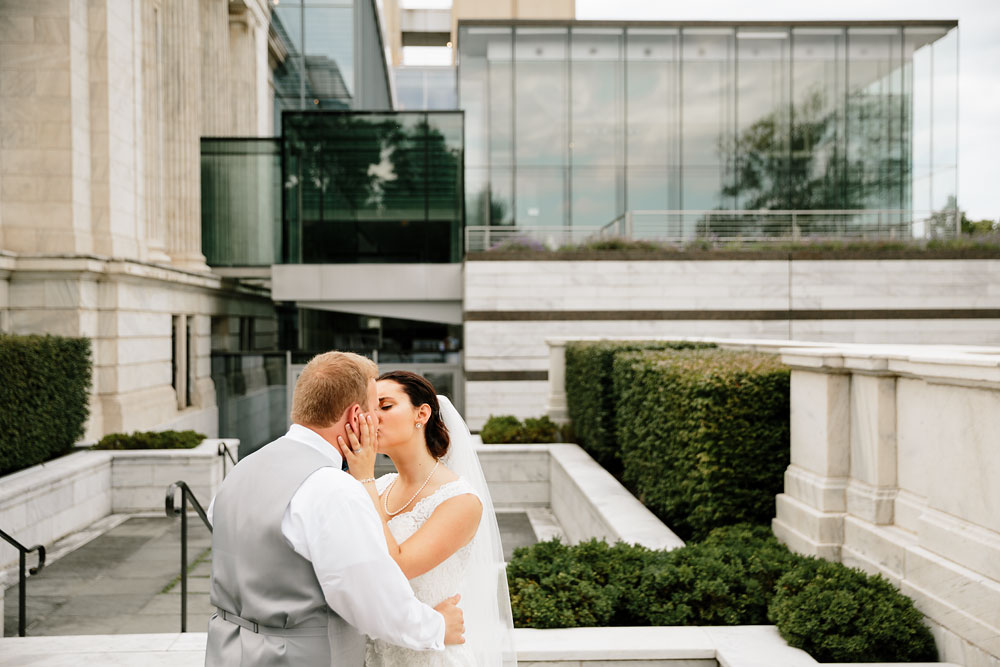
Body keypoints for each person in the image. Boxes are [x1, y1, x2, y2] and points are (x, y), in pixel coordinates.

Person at [205, 352, 465, 666]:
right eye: (374, 409)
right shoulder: (330, 488)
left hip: (227, 651)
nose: (376, 420)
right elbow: (370, 600)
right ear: (356, 415)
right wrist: (437, 627)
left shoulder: (241, 470)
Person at [338, 370, 516, 666]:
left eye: (385, 406)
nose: (373, 418)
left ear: (421, 413)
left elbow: (396, 566)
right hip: (372, 654)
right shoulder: (377, 487)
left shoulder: (460, 500)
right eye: (369, 410)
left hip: (433, 656)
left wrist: (364, 479)